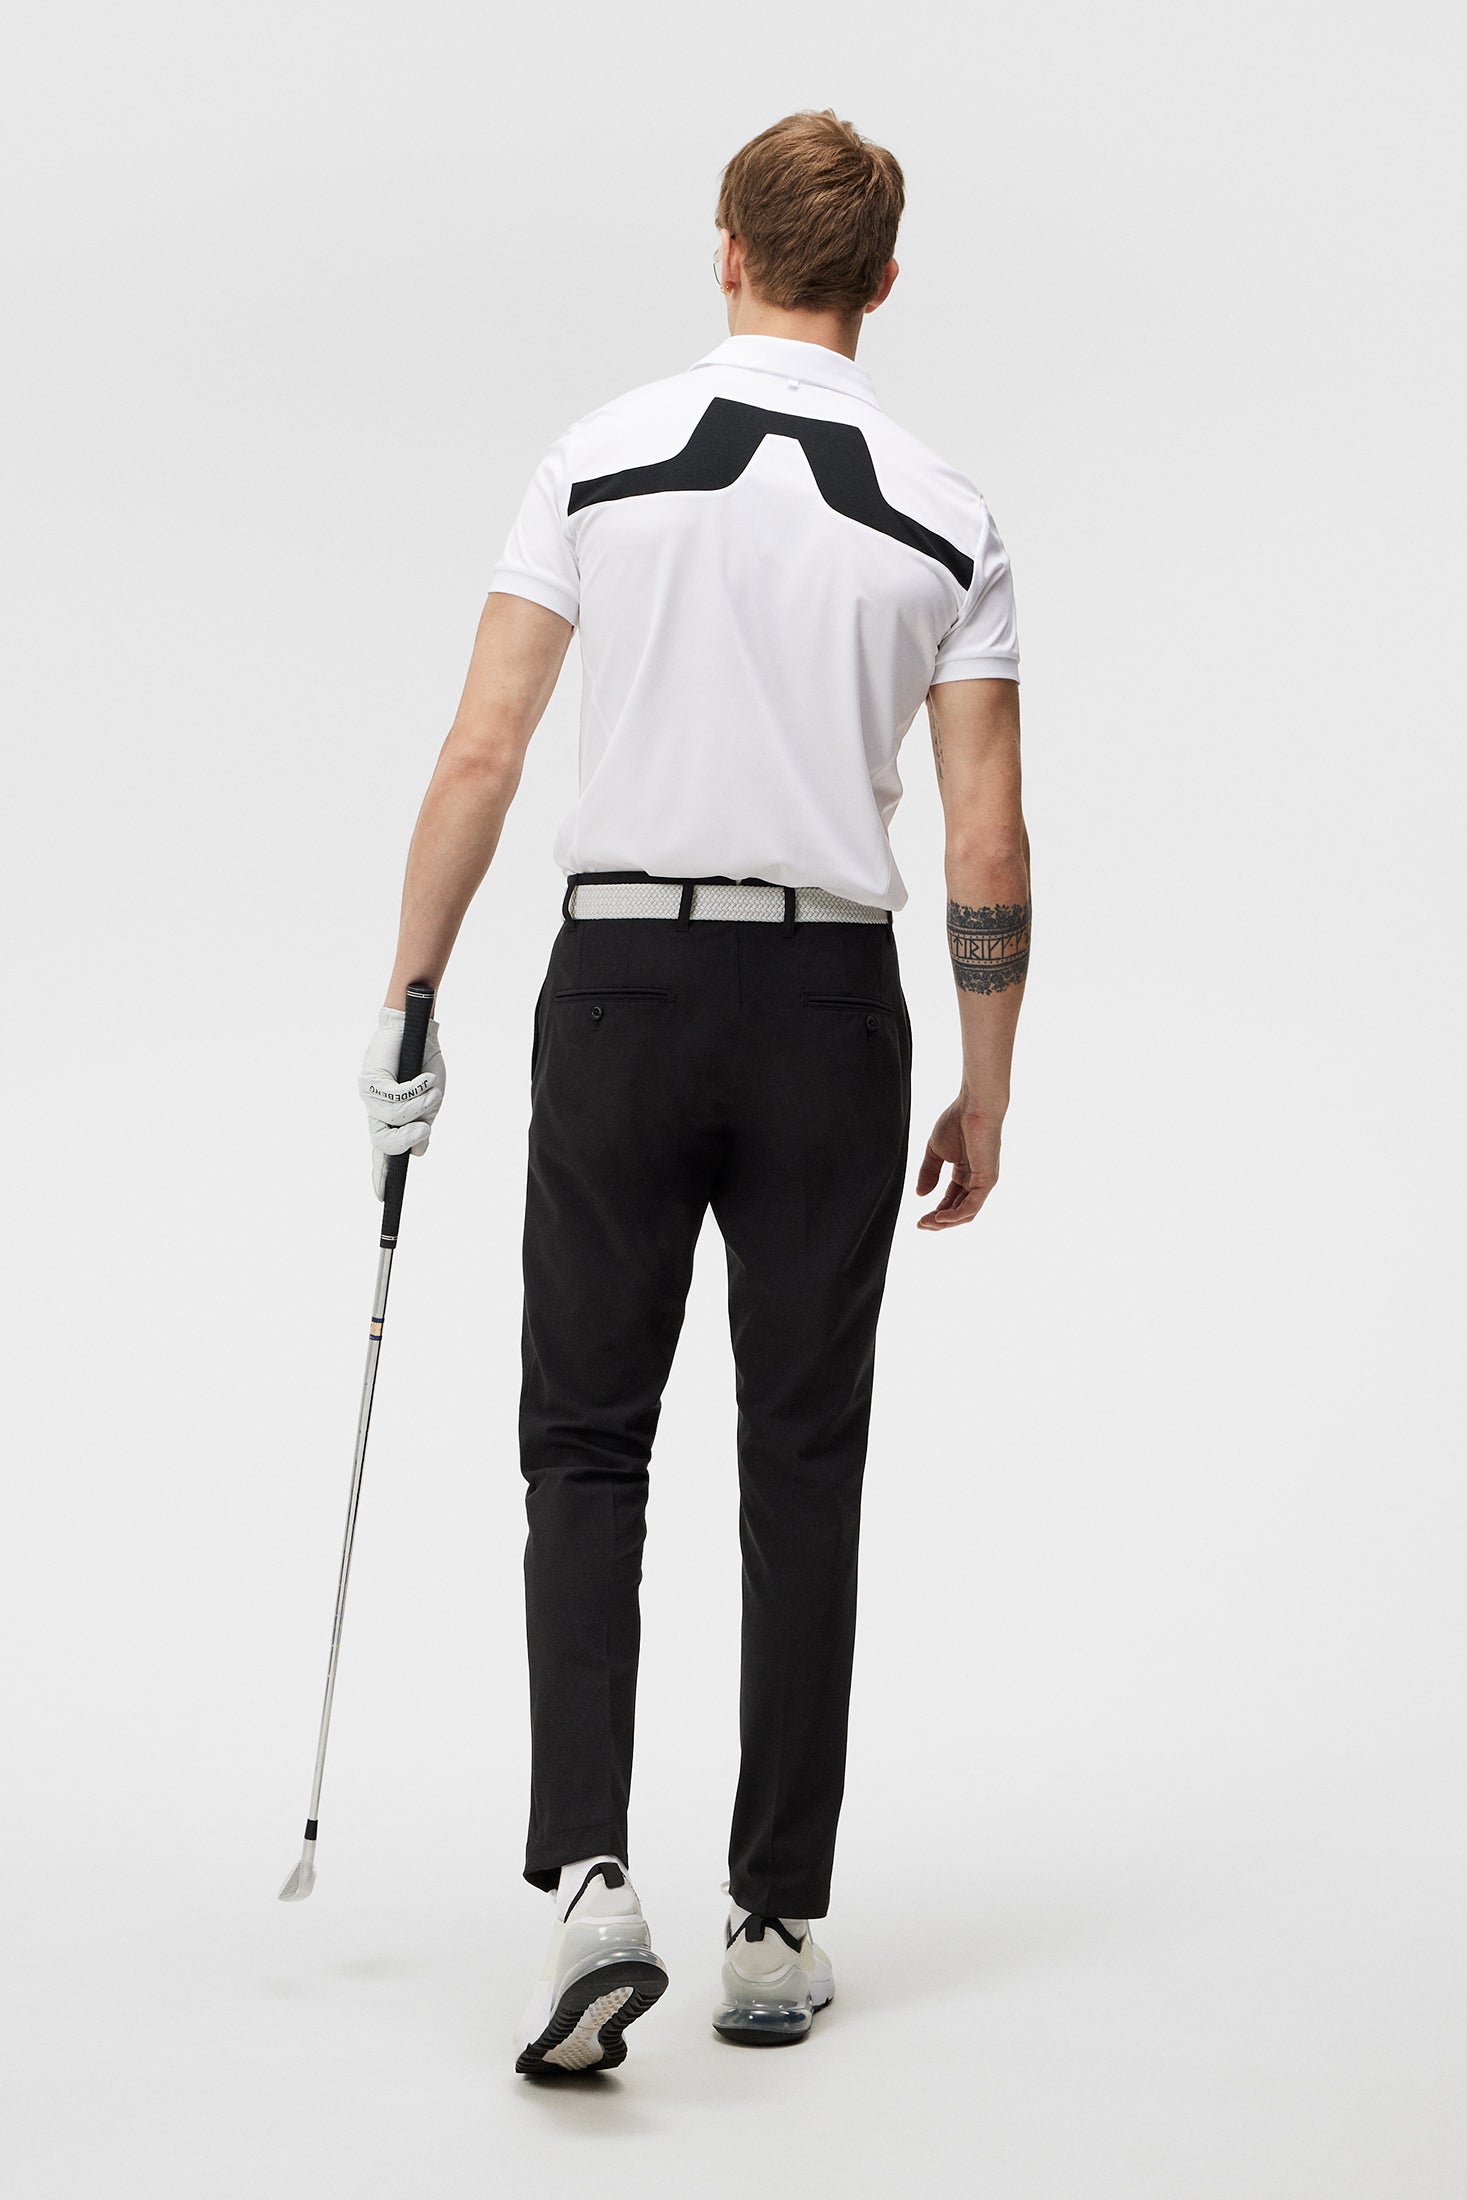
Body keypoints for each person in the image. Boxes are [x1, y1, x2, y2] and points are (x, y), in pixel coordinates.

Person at [357, 108, 1030, 2075]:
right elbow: (985, 837)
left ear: (723, 248)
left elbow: (482, 753)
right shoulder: (950, 514)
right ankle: (772, 1923)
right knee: (802, 1459)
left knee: (585, 1441)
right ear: (882, 280)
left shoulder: (599, 455)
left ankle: (589, 1881)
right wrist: (985, 1084)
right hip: (829, 1005)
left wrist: (408, 997)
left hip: (624, 987)